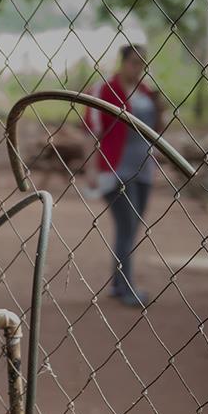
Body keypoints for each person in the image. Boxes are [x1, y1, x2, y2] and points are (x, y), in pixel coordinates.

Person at [85, 44, 164, 308]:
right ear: (123, 62)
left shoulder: (146, 92)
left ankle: (119, 283)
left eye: (143, 63)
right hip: (115, 169)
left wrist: (160, 108)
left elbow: (156, 129)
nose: (138, 68)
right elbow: (91, 130)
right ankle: (126, 288)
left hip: (144, 169)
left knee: (131, 227)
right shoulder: (105, 90)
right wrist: (90, 168)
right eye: (134, 62)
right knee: (127, 226)